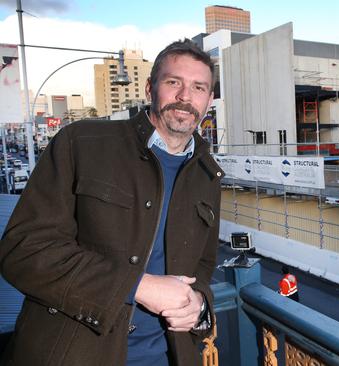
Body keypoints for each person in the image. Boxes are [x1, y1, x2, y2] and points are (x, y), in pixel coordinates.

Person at [0, 39, 224, 366]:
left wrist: (200, 305)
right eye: (173, 82)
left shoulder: (208, 176)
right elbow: (23, 249)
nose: (185, 97)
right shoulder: (82, 143)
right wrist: (138, 286)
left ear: (209, 99)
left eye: (198, 87)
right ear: (150, 88)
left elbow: (202, 268)